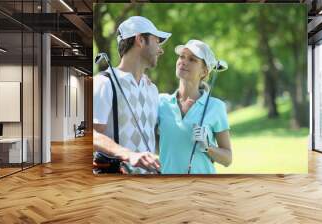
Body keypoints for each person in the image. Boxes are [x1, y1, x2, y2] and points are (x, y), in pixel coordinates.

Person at [93, 16, 171, 174]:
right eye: (157, 41)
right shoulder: (104, 83)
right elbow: (91, 135)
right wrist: (128, 155)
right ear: (140, 40)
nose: (161, 49)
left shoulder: (152, 89)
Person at [157, 40, 232, 174]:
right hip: (167, 187)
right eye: (182, 56)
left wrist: (207, 147)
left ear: (204, 71)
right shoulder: (160, 102)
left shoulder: (216, 107)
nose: (184, 62)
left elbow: (227, 159)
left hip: (202, 189)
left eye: (192, 59)